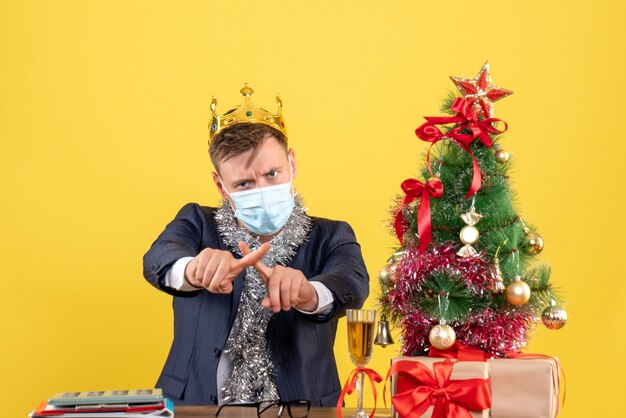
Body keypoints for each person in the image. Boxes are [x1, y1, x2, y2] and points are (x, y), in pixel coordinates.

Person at [142, 85, 369, 407]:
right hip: (193, 405)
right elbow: (158, 258)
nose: (262, 188)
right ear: (220, 185)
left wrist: (309, 292)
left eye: (273, 173)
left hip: (305, 406)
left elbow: (352, 284)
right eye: (244, 184)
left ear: (292, 163)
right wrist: (193, 269)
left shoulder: (331, 234)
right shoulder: (196, 221)